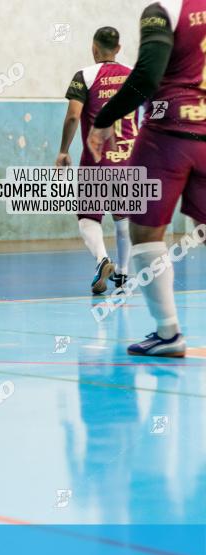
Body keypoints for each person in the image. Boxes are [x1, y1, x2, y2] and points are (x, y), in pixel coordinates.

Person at [87, 0, 206, 357]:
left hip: (169, 134)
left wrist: (105, 118)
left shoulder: (164, 9)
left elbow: (147, 75)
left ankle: (168, 333)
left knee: (144, 230)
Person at [57, 26, 137, 294]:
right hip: (128, 158)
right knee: (122, 217)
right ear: (119, 48)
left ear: (94, 48)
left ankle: (103, 259)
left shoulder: (85, 76)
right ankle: (124, 275)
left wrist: (63, 150)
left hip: (96, 159)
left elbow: (72, 116)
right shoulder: (134, 75)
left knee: (88, 217)